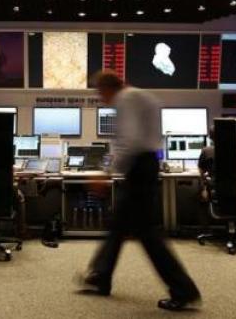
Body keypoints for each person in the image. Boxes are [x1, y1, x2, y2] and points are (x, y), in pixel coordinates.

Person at [78, 71, 200, 311]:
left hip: (139, 166)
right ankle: (100, 277)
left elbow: (130, 141)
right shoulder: (142, 96)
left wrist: (106, 173)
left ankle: (183, 290)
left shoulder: (125, 99)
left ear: (107, 88)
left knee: (147, 233)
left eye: (100, 93)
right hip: (145, 164)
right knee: (118, 224)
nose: (101, 99)